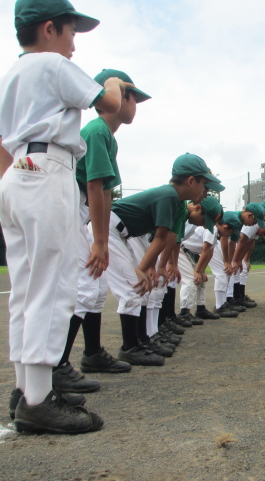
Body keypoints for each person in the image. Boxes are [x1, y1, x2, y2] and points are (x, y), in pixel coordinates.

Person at [0, 0, 135, 434]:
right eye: (71, 32)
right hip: (48, 171)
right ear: (50, 28)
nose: (74, 44)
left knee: (25, 289)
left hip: (18, 173)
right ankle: (38, 401)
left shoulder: (12, 75)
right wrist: (114, 81)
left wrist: (15, 183)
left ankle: (27, 389)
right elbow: (109, 102)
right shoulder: (52, 65)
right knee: (52, 286)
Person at [51, 69, 151, 397]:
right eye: (133, 95)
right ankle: (56, 367)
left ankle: (91, 354)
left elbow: (107, 191)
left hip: (83, 216)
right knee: (83, 289)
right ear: (119, 97)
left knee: (95, 289)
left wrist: (103, 239)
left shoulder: (109, 136)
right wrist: (99, 240)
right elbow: (93, 186)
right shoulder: (96, 130)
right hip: (71, 213)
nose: (136, 103)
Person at [107, 154, 217, 365]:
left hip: (121, 233)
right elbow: (161, 237)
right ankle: (130, 347)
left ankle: (140, 341)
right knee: (134, 287)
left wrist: (154, 266)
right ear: (191, 181)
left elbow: (167, 239)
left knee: (141, 288)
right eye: (203, 184)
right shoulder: (169, 196)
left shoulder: (174, 199)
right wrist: (146, 267)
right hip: (108, 229)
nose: (204, 191)